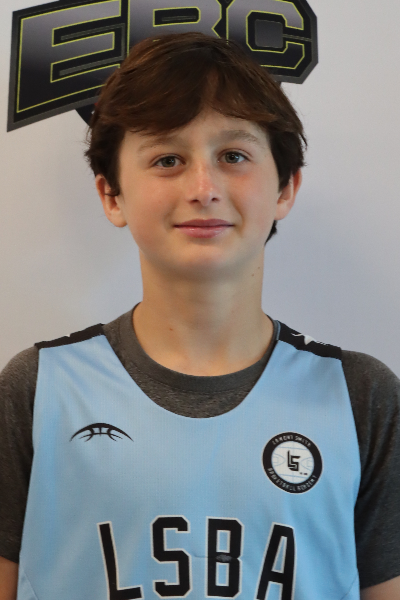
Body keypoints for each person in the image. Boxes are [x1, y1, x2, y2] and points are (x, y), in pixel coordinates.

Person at [1, 32, 400, 600]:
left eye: (233, 156)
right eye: (168, 159)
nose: (203, 188)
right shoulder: (38, 390)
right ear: (112, 194)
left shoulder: (360, 397)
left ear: (285, 187)